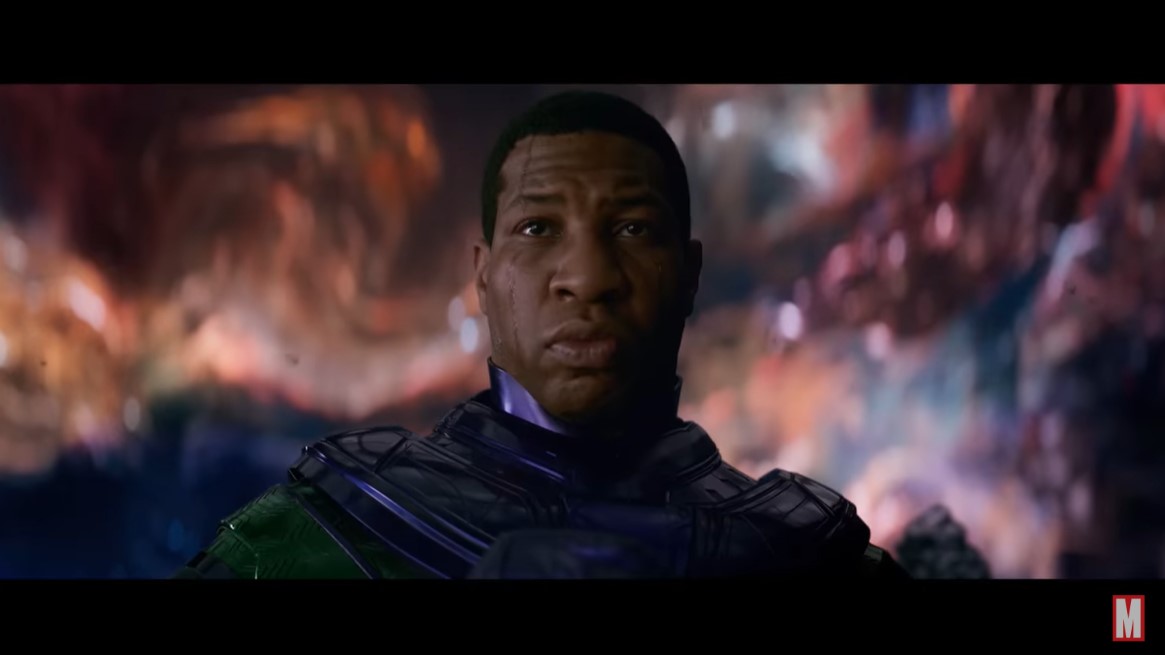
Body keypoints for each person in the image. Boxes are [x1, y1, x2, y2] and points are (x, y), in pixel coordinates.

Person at [173, 90, 909, 579]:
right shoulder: (331, 526)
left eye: (632, 228)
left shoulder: (805, 555)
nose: (587, 277)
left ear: (688, 275)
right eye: (537, 228)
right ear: (484, 276)